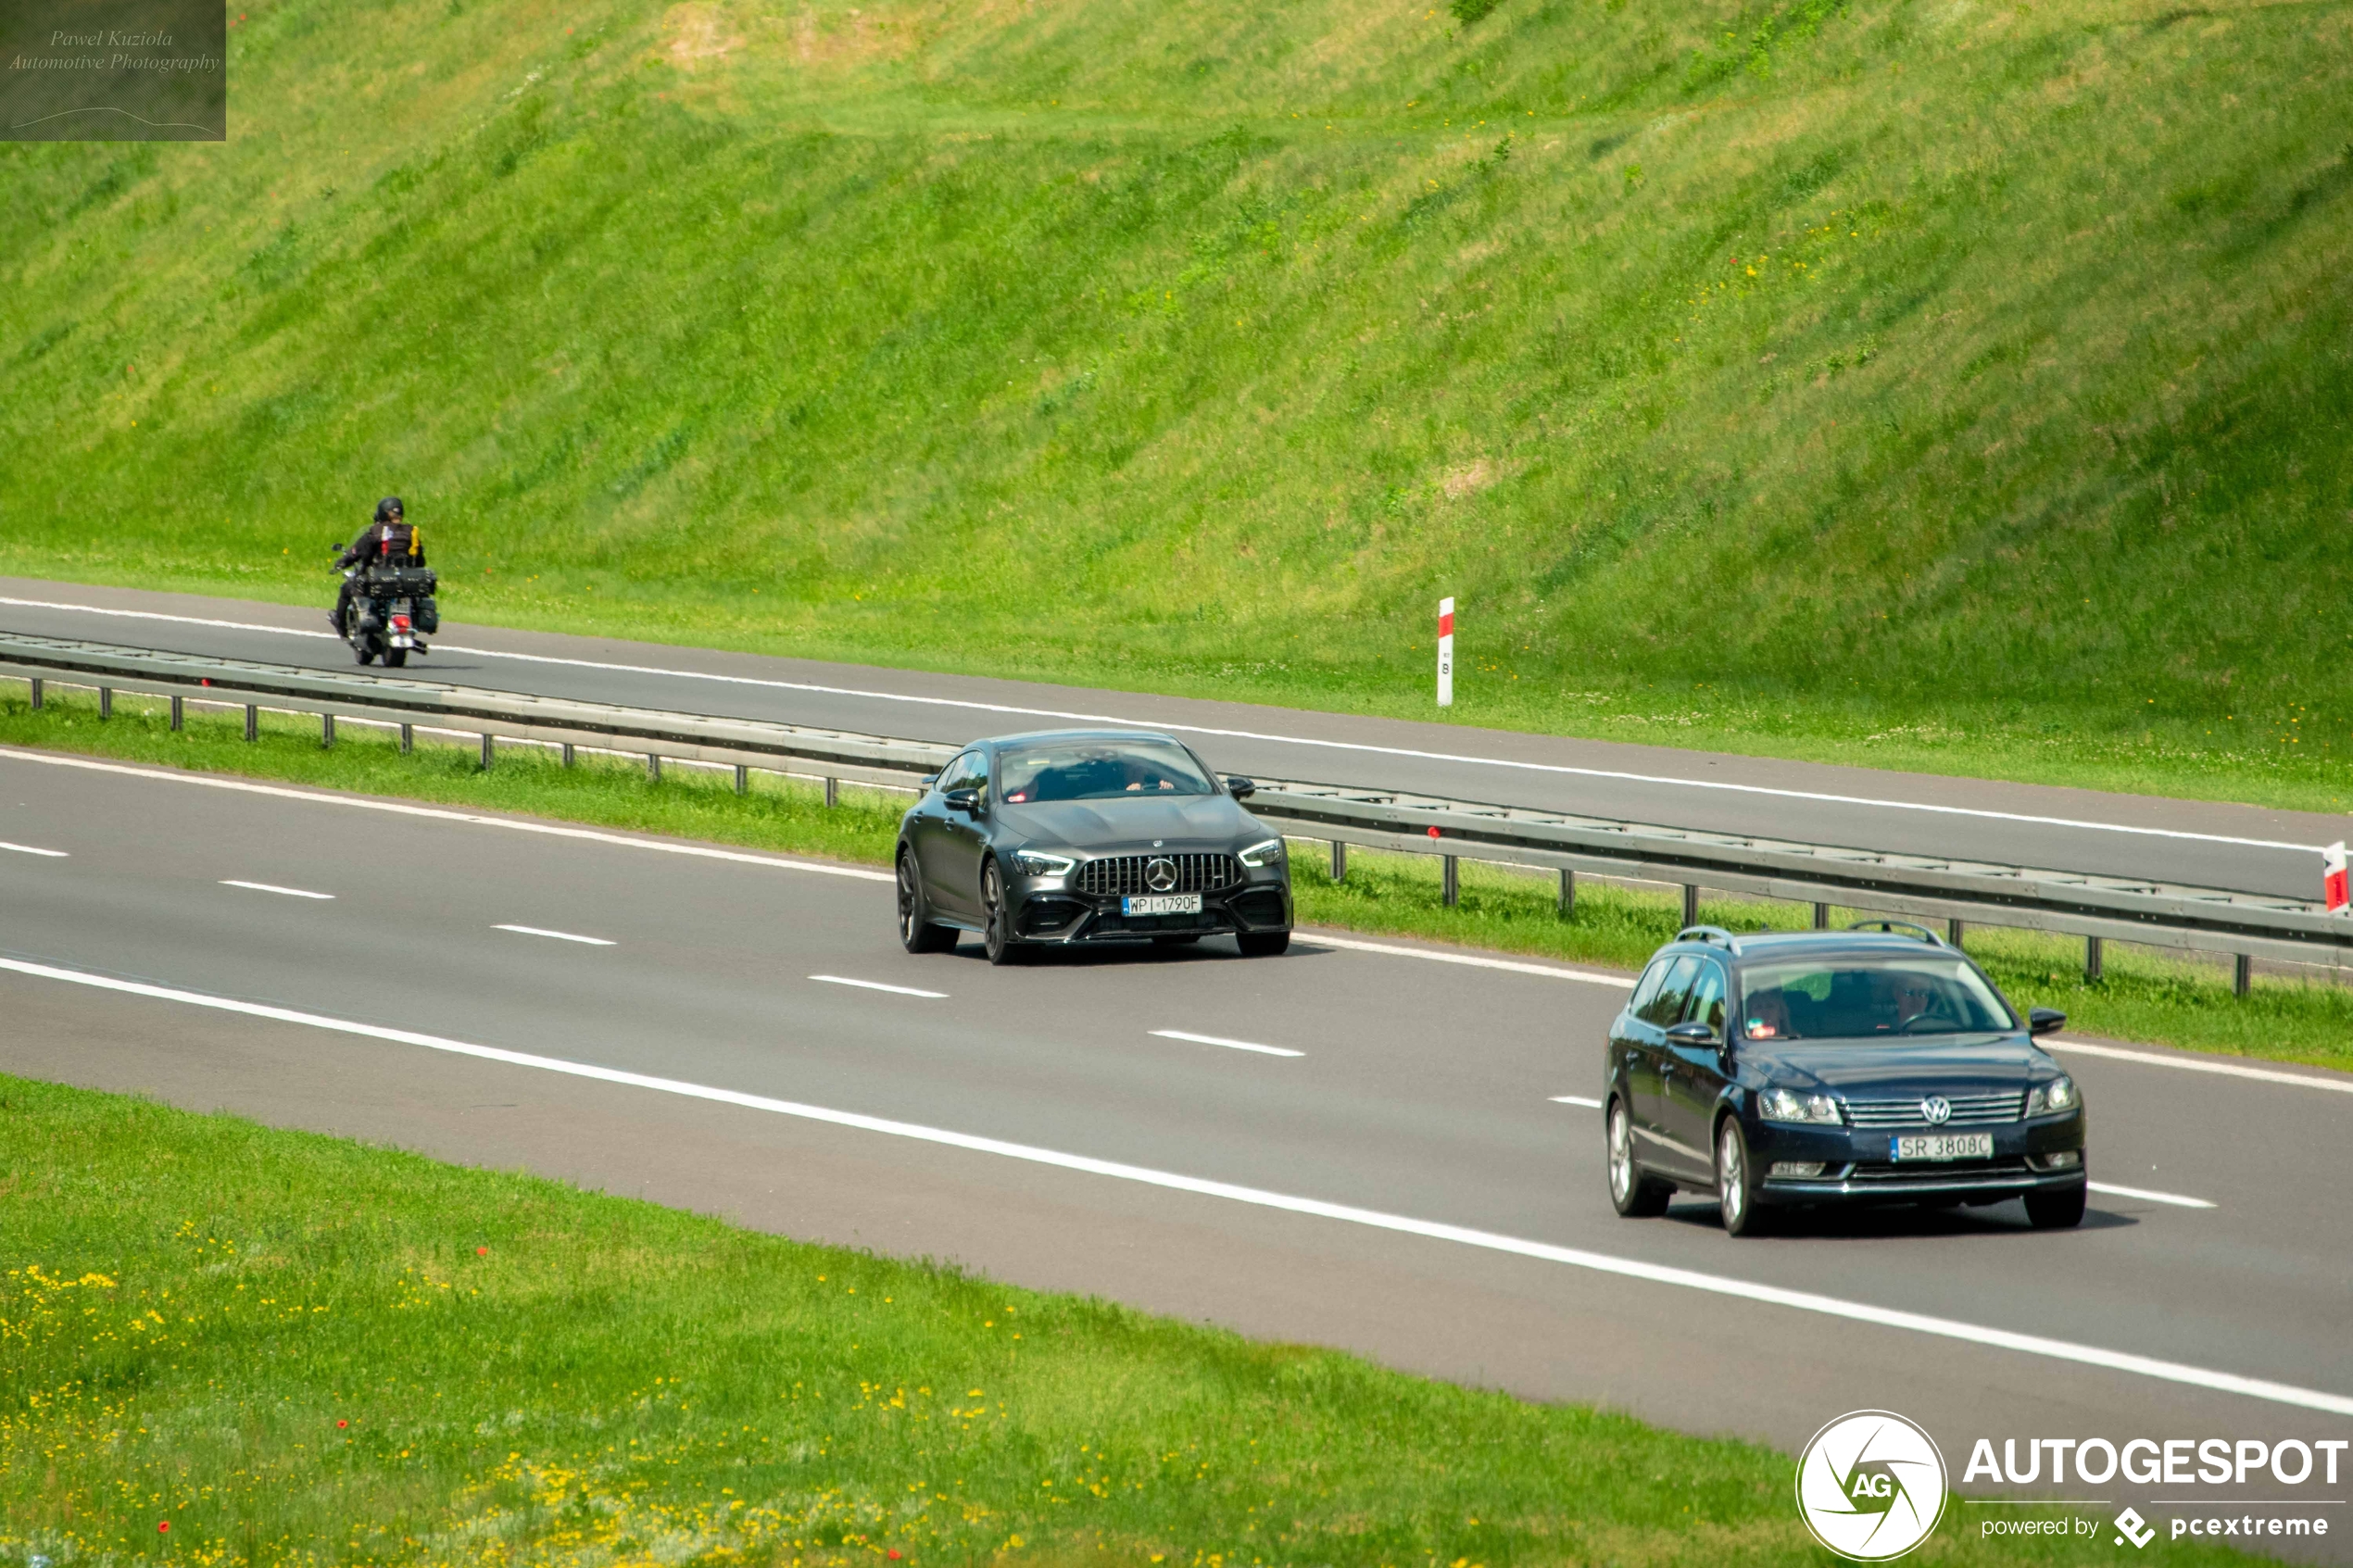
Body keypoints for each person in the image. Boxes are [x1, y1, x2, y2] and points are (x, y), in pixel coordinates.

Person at [331, 497, 424, 633]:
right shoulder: (411, 532)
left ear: (382, 512)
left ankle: (341, 625)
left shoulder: (376, 531)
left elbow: (357, 552)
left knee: (347, 588)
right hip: (405, 582)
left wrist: (342, 562)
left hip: (379, 580)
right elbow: (420, 560)